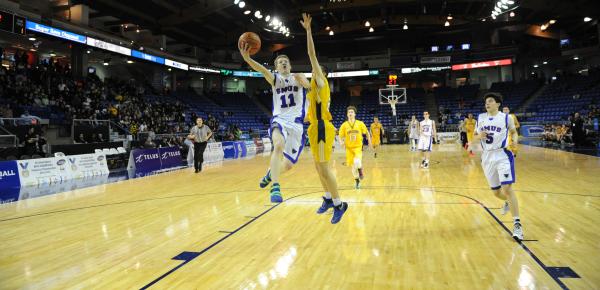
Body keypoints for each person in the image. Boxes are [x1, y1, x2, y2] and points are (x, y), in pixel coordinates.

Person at [239, 37, 310, 202]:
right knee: (278, 145)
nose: (284, 63)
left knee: (288, 165)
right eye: (280, 62)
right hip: (280, 120)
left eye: (286, 61)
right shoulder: (275, 79)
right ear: (276, 68)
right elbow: (263, 71)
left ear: (290, 66)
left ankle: (270, 175)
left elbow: (309, 86)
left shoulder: (298, 77)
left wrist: (306, 84)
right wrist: (248, 59)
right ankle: (275, 188)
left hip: (297, 125)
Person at [301, 13, 347, 223]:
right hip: (314, 127)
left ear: (322, 73)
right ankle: (328, 198)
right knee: (318, 168)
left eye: (316, 70)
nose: (313, 71)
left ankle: (339, 204)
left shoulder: (320, 81)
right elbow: (305, 90)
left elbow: (311, 54)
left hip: (322, 128)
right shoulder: (313, 88)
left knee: (325, 168)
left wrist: (309, 31)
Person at [469, 92, 523, 241]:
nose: (487, 103)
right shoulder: (480, 118)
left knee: (507, 188)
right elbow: (474, 139)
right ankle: (506, 202)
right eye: (486, 101)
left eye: (491, 101)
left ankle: (517, 224)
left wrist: (515, 141)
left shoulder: (507, 118)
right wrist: (479, 137)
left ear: (498, 104)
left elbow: (514, 132)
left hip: (503, 154)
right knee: (496, 192)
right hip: (487, 157)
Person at [339, 106, 372, 189]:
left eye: (352, 112)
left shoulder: (360, 123)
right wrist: (341, 142)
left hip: (357, 147)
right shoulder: (344, 125)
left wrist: (370, 142)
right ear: (347, 114)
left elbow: (367, 132)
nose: (350, 113)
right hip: (349, 148)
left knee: (357, 162)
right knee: (353, 167)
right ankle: (357, 181)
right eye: (349, 112)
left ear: (355, 114)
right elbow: (340, 136)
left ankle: (360, 170)